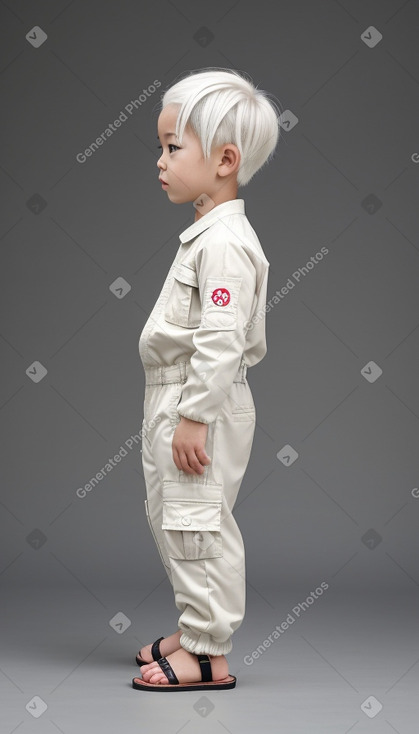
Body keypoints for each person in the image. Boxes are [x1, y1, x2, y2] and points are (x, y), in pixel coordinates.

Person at [132, 67, 281, 692]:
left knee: (196, 523)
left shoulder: (224, 245)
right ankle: (196, 629)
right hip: (180, 396)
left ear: (225, 160)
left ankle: (208, 654)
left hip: (199, 400)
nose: (160, 161)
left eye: (172, 147)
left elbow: (220, 338)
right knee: (175, 516)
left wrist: (195, 413)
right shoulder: (206, 235)